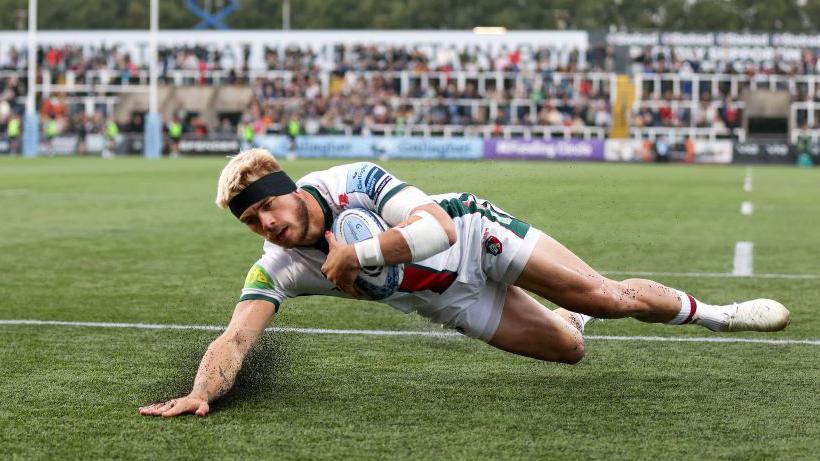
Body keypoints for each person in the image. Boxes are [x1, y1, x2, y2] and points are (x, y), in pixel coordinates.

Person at [140, 148, 790, 418]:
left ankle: (720, 313)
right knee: (572, 349)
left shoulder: (353, 181)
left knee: (605, 297)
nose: (267, 225)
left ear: (286, 189)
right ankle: (570, 320)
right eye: (251, 221)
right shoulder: (276, 263)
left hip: (476, 232)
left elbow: (437, 230)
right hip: (450, 299)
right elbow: (236, 336)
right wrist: (202, 390)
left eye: (266, 209)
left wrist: (357, 254)